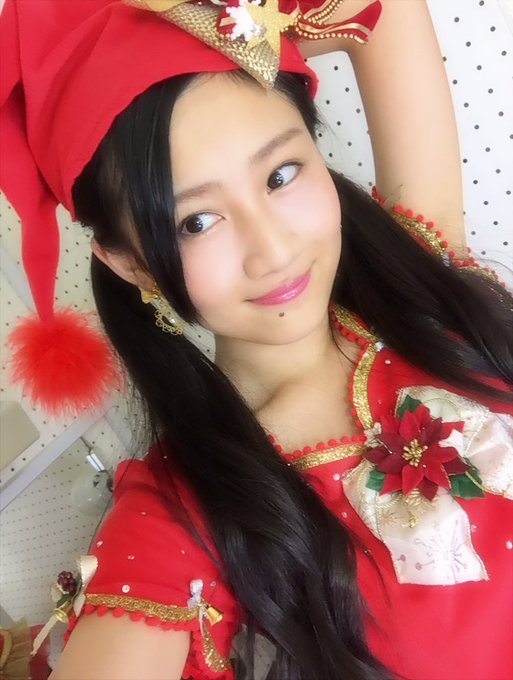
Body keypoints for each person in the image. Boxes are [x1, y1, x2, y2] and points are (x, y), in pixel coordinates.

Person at [1, 0, 512, 679]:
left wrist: (240, 25)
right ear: (130, 264)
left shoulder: (423, 288)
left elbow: (385, 15)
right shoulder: (179, 516)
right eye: (196, 221)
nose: (272, 249)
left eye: (280, 174)